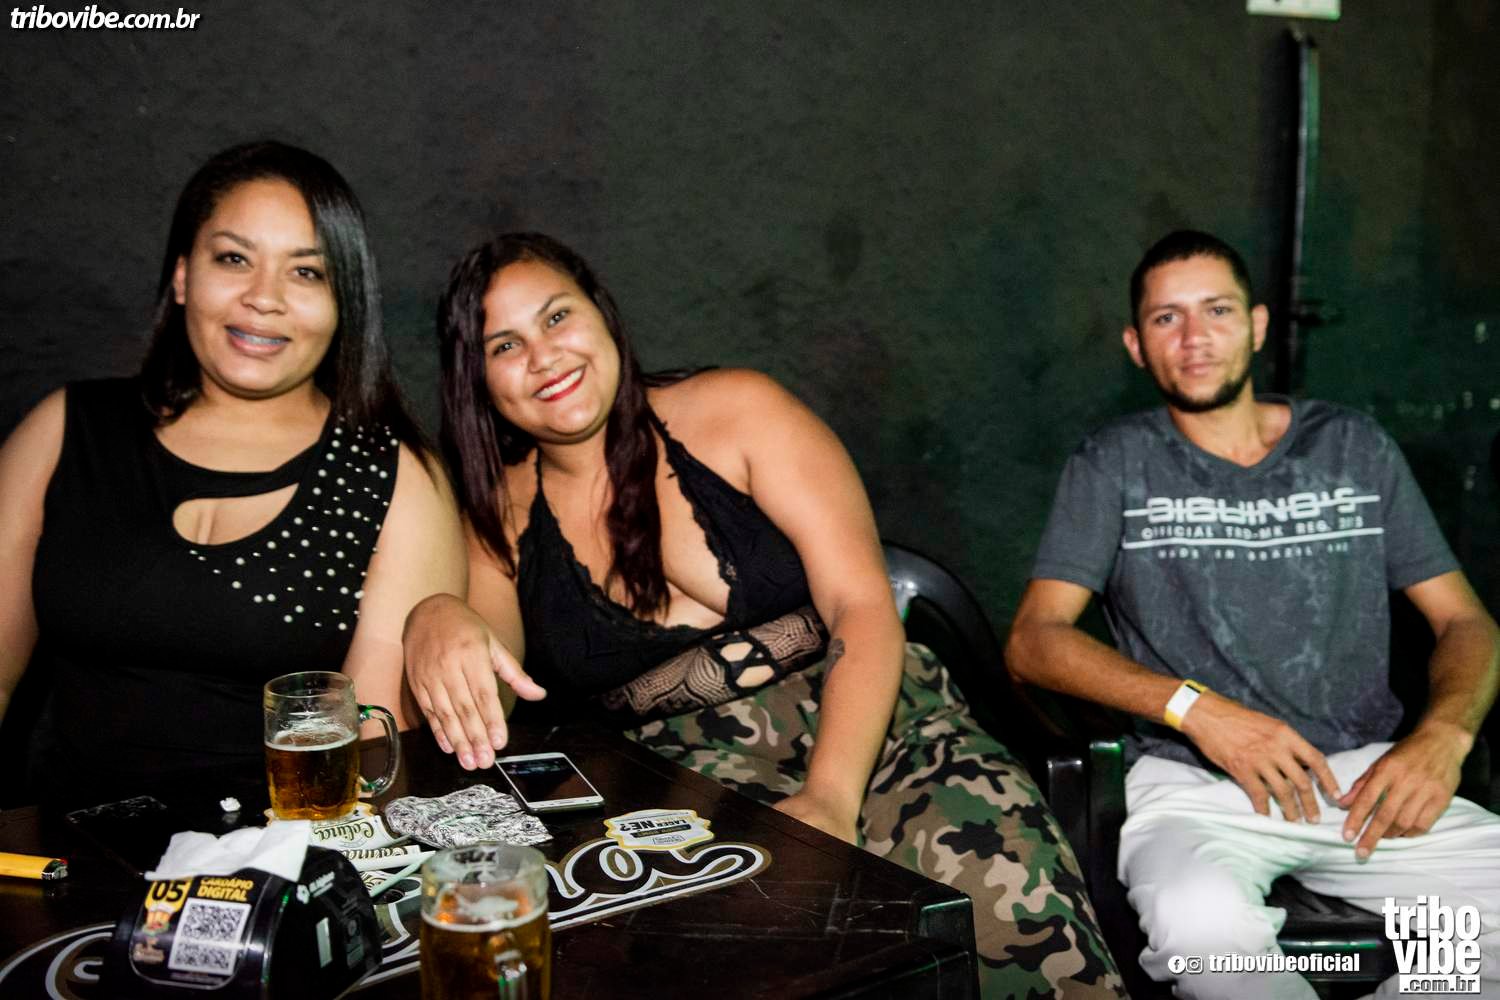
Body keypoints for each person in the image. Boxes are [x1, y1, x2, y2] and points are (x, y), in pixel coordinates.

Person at [402, 232, 1125, 998]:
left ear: (603, 315)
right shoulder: (500, 518)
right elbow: (492, 692)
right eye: (505, 345)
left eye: (557, 317)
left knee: (1018, 919)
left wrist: (830, 799)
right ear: (477, 379)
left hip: (885, 719)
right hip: (682, 783)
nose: (544, 356)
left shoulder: (738, 410)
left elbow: (862, 605)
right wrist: (436, 615)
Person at [1006, 229, 1500, 998]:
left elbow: (1466, 622)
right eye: (1167, 318)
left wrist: (1445, 735)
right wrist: (1196, 710)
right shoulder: (1114, 462)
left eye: (1217, 310)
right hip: (1193, 788)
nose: (1194, 337)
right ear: (1136, 345)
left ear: (1258, 325)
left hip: (1362, 780)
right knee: (1204, 937)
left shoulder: (1352, 447)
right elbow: (1035, 640)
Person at [0, 141, 465, 806]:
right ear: (182, 275)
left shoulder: (395, 474)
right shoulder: (64, 429)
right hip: (64, 851)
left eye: (306, 272)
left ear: (345, 302)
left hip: (282, 852)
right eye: (234, 259)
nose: (263, 297)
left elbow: (370, 754)